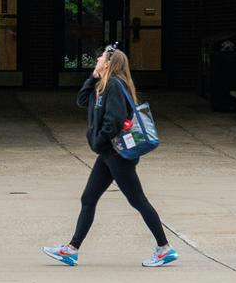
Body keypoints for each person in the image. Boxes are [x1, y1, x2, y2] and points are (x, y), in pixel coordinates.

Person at [44, 43, 177, 268]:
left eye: (99, 59)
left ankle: (164, 248)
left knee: (138, 200)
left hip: (117, 155)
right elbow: (82, 101)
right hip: (108, 154)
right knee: (88, 198)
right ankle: (71, 250)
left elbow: (113, 121)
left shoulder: (115, 86)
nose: (96, 61)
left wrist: (98, 141)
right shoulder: (103, 85)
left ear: (108, 63)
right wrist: (93, 77)